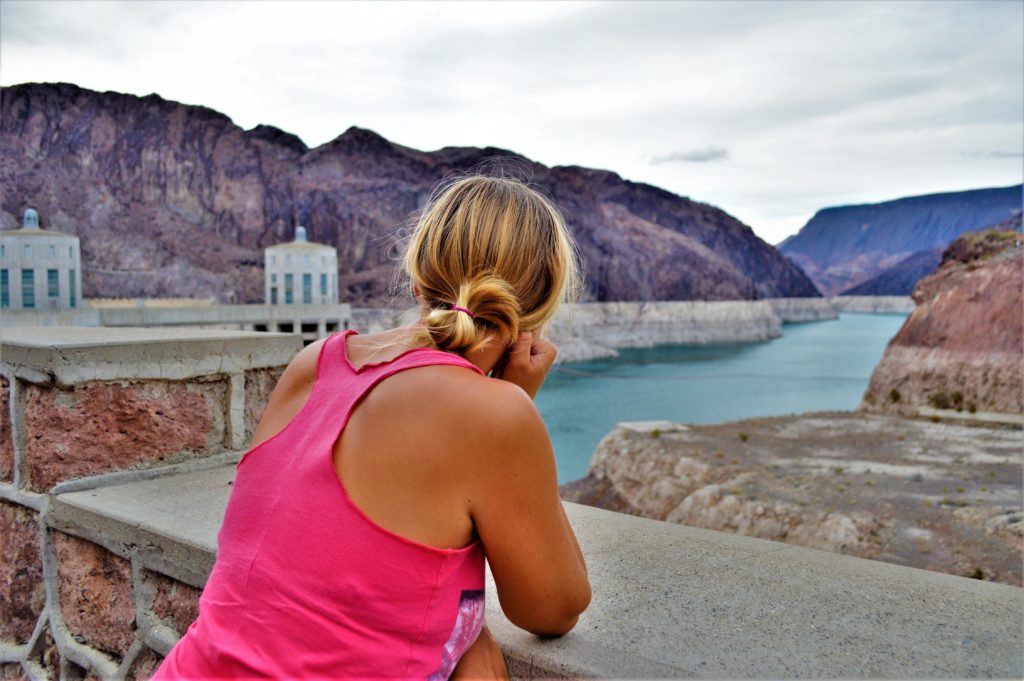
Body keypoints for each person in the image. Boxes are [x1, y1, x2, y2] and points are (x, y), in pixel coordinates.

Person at [151, 174, 591, 680]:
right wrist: (517, 405)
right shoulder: (496, 416)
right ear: (535, 315)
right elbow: (554, 608)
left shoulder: (315, 362)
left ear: (418, 281)